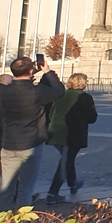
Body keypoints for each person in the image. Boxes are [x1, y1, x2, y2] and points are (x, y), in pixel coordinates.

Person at [0, 56, 65, 209]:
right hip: (31, 145)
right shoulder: (37, 91)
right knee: (25, 189)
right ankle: (22, 219)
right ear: (30, 71)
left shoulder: (3, 91)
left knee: (6, 188)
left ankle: (2, 218)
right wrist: (47, 71)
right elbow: (59, 91)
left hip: (9, 144)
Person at [44, 72, 97, 204]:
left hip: (55, 132)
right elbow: (92, 118)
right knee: (65, 162)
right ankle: (52, 193)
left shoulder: (61, 95)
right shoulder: (85, 97)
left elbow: (50, 113)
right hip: (73, 134)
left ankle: (73, 184)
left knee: (67, 159)